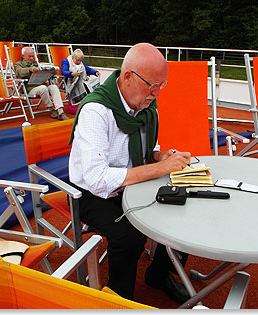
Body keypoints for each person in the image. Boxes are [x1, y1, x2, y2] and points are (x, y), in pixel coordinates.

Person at [68, 43, 191, 304]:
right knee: (130, 235)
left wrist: (159, 155)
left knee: (184, 207)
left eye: (162, 85)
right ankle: (119, 299)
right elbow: (97, 179)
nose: (157, 93)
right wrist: (159, 168)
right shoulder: (95, 112)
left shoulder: (144, 104)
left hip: (131, 185)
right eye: (152, 85)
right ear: (127, 77)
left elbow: (149, 145)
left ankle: (158, 275)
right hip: (92, 194)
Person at [15, 46, 69, 120]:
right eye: (29, 56)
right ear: (23, 56)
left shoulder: (36, 63)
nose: (31, 58)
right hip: (29, 88)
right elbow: (19, 72)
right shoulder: (18, 64)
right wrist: (29, 69)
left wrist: (50, 73)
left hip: (41, 84)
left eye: (32, 56)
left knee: (54, 87)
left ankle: (60, 111)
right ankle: (51, 109)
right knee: (43, 88)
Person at [61, 49, 100, 113]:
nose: (79, 62)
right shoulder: (66, 61)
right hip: (70, 82)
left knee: (88, 87)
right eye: (77, 60)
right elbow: (64, 72)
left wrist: (95, 72)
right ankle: (74, 107)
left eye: (80, 60)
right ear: (73, 57)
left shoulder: (81, 62)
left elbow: (86, 68)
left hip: (81, 81)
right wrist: (71, 74)